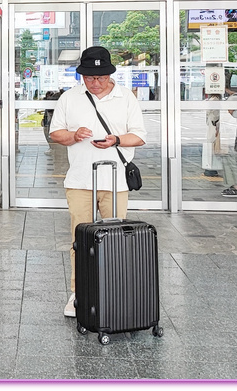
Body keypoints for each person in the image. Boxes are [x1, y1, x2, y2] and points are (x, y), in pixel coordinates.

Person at [48, 46, 147, 318]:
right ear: (82, 76)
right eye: (90, 77)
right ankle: (78, 293)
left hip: (115, 183)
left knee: (115, 239)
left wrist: (116, 140)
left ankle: (113, 290)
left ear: (109, 74)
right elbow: (56, 134)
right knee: (79, 239)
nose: (95, 82)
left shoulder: (125, 97)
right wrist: (73, 135)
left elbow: (139, 136)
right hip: (80, 180)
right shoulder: (70, 98)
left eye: (100, 77)